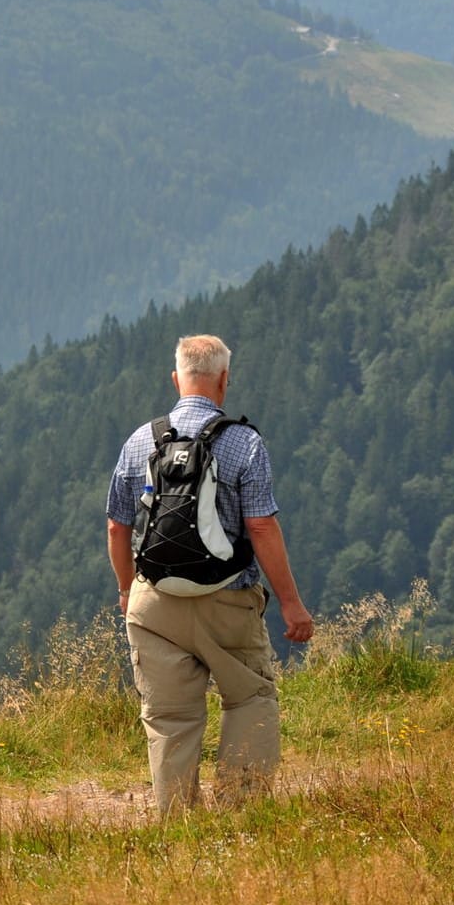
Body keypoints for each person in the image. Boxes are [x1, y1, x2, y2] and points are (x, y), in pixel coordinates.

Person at [106, 335, 314, 814]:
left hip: (154, 600)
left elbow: (118, 526)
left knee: (170, 718)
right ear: (224, 380)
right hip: (228, 599)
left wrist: (125, 589)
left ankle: (178, 823)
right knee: (249, 698)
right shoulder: (244, 442)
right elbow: (261, 526)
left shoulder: (141, 440)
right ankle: (240, 813)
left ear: (176, 379)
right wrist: (290, 602)